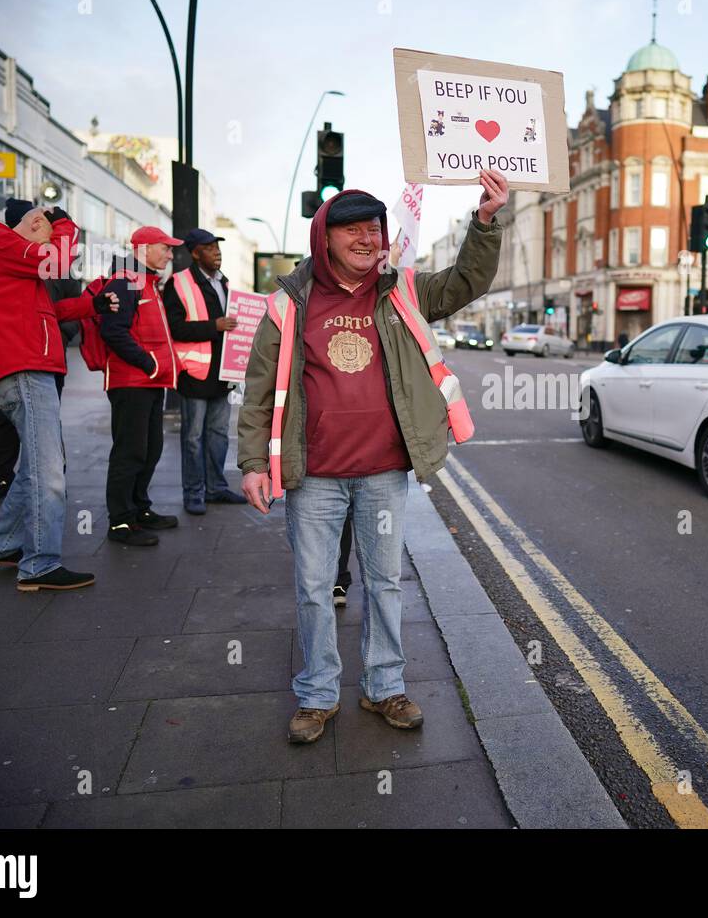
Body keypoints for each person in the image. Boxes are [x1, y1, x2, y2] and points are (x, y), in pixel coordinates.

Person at [238, 170, 508, 744]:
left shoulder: (402, 289)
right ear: (325, 237)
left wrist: (484, 221)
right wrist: (253, 464)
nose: (367, 239)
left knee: (385, 583)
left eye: (374, 230)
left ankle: (384, 686)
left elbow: (465, 282)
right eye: (353, 230)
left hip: (383, 470)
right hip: (314, 475)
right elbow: (259, 390)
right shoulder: (288, 303)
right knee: (315, 588)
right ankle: (317, 694)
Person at [0, 199, 118, 591]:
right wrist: (66, 225)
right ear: (34, 223)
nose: (53, 242)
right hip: (25, 370)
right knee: (49, 471)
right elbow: (56, 259)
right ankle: (39, 564)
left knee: (40, 467)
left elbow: (49, 309)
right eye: (48, 233)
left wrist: (91, 304)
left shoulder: (7, 257)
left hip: (28, 369)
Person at [0, 229, 84, 504]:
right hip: (14, 361)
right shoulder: (2, 252)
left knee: (46, 432)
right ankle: (2, 477)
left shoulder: (55, 268)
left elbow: (66, 308)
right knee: (9, 426)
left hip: (48, 360)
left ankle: (52, 481)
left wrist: (57, 337)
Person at [98, 226, 182, 547]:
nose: (170, 254)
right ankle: (120, 521)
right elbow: (113, 331)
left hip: (150, 381)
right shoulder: (125, 282)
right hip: (131, 382)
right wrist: (149, 363)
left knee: (150, 448)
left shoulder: (146, 281)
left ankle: (138, 509)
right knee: (130, 452)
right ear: (144, 248)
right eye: (165, 248)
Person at [161, 227, 248, 514]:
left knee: (219, 435)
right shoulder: (178, 283)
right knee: (193, 438)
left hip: (223, 373)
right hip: (195, 373)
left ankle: (216, 488)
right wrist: (215, 326)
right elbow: (174, 328)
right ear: (196, 253)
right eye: (209, 249)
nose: (216, 253)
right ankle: (194, 493)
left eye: (217, 248)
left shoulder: (224, 282)